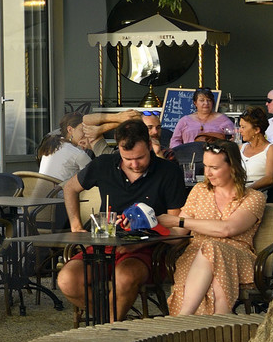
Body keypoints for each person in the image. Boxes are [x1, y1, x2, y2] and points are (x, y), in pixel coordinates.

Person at [58, 119, 188, 321]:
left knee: (124, 277)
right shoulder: (103, 165)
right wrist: (75, 224)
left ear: (149, 145)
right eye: (128, 159)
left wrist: (142, 240)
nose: (135, 164)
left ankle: (108, 331)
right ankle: (108, 322)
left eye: (140, 158)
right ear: (118, 148)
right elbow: (69, 188)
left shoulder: (168, 172)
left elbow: (178, 233)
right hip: (105, 243)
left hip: (149, 249)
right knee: (67, 280)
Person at [159, 142, 266, 315]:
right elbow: (178, 235)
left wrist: (179, 221)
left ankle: (183, 318)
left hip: (237, 256)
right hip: (195, 257)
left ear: (233, 167)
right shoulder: (199, 191)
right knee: (215, 276)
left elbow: (227, 229)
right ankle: (219, 327)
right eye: (206, 166)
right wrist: (152, 226)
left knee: (212, 248)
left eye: (214, 167)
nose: (207, 173)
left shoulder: (254, 197)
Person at [37, 113, 93, 183]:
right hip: (61, 192)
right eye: (82, 130)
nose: (86, 134)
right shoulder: (77, 154)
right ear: (70, 130)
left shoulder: (53, 145)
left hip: (43, 192)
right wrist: (92, 147)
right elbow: (96, 175)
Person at [237, 107, 273, 192]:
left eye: (243, 127)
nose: (240, 131)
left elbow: (270, 178)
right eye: (240, 126)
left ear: (257, 130)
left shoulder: (271, 149)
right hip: (236, 191)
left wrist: (247, 190)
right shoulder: (241, 148)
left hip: (255, 194)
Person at [170, 88, 235, 147]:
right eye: (202, 100)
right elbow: (175, 141)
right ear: (195, 103)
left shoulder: (223, 119)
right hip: (189, 157)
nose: (206, 103)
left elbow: (233, 139)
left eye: (209, 100)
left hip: (214, 156)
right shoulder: (184, 120)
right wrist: (181, 153)